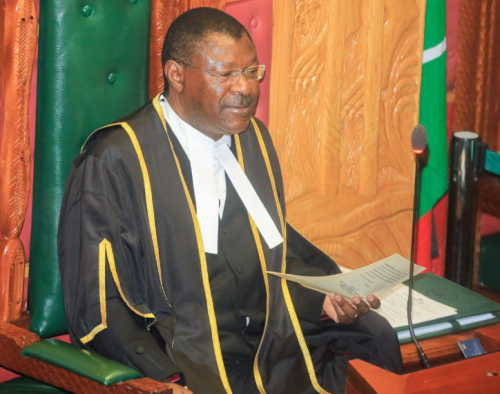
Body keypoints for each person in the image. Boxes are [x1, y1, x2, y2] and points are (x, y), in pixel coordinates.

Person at [58, 8, 402, 394]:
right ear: (176, 74)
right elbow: (99, 302)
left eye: (252, 71)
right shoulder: (115, 159)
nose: (245, 88)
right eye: (225, 74)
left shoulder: (251, 137)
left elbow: (268, 246)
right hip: (184, 356)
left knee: (376, 336)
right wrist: (160, 379)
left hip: (266, 341)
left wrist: (321, 298)